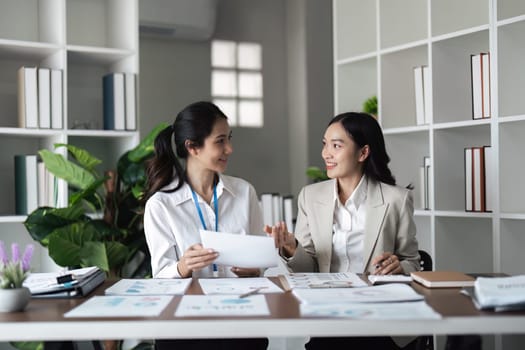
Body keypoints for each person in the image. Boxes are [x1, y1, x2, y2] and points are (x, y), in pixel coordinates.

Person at [267, 112, 421, 350]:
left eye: (336, 146)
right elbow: (309, 268)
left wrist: (399, 267)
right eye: (325, 144)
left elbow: (413, 262)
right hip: (328, 315)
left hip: (379, 318)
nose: (326, 153)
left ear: (363, 153)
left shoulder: (396, 199)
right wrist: (291, 247)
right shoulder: (311, 196)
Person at [144, 101, 268, 350]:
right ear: (192, 147)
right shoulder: (161, 205)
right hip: (185, 328)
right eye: (220, 141)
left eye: (229, 139)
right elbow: (160, 278)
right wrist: (182, 266)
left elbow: (261, 264)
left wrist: (255, 270)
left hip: (241, 325)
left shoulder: (244, 192)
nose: (229, 149)